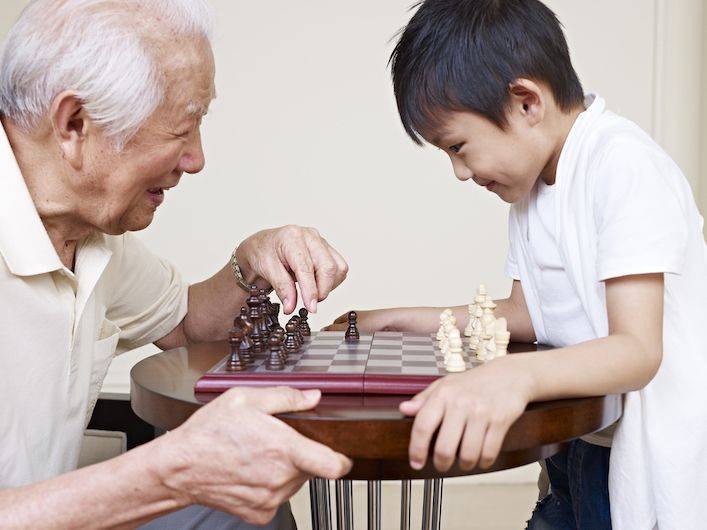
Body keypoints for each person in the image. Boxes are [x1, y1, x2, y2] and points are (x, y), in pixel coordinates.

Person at [327, 0, 707, 528]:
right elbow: (528, 313)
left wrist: (513, 378)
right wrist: (402, 318)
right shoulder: (532, 188)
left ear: (526, 102)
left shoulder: (622, 165)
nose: (461, 173)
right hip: (581, 438)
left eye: (458, 147)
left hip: (644, 449)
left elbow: (638, 351)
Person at [0, 0, 352, 528]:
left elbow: (185, 322)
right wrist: (166, 472)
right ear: (74, 124)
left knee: (243, 507)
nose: (197, 159)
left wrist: (249, 258)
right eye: (182, 129)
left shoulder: (89, 235)